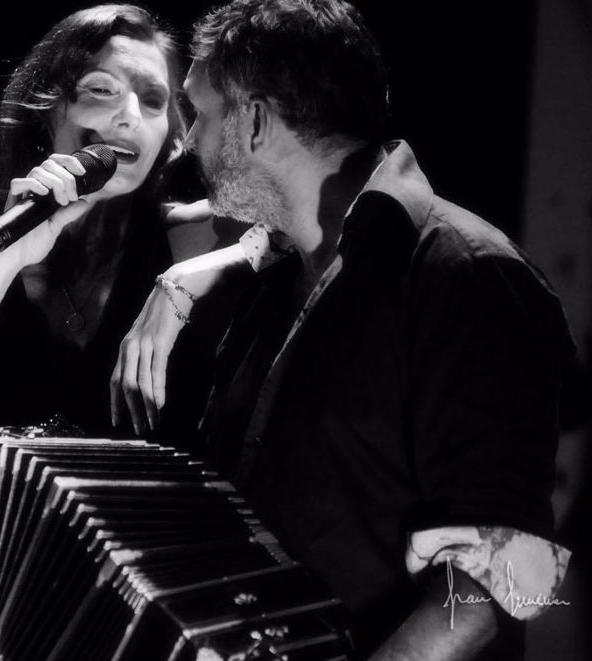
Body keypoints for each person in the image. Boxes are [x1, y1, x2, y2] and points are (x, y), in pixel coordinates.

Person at [111, 1, 574, 659]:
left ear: (255, 122)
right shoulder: (275, 272)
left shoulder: (468, 273)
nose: (187, 142)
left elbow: (511, 571)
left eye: (200, 113)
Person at [0, 4, 222, 469]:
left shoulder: (194, 235)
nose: (130, 116)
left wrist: (190, 276)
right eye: (102, 89)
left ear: (172, 137)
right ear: (48, 107)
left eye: (153, 100)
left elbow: (298, 222)